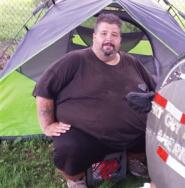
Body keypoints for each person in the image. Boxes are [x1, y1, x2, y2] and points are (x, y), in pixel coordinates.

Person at [33, 13, 156, 188]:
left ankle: (133, 159)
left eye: (114, 35)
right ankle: (75, 179)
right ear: (94, 37)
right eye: (104, 33)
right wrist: (47, 125)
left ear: (120, 40)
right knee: (69, 147)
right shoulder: (75, 60)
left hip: (132, 133)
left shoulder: (132, 62)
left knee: (155, 130)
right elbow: (44, 90)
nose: (109, 39)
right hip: (88, 136)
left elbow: (154, 89)